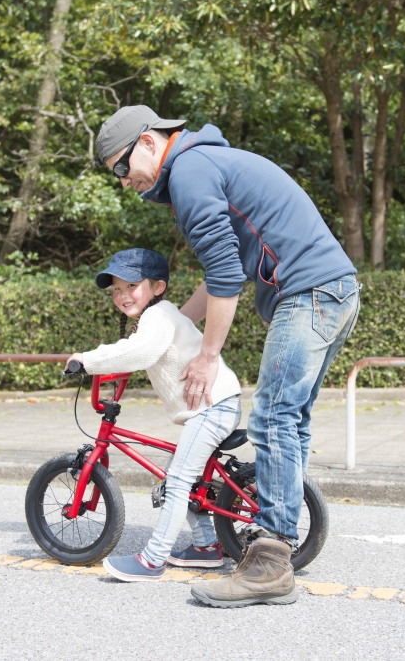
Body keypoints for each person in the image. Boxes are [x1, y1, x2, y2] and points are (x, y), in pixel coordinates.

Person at [95, 105, 360, 607]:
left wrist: (207, 355)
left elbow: (224, 277)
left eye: (119, 167)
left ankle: (269, 562)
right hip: (335, 290)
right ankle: (275, 544)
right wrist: (180, 325)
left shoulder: (193, 172)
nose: (121, 180)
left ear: (148, 143)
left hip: (308, 293)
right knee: (290, 421)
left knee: (275, 420)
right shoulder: (205, 164)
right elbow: (232, 263)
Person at [68, 248, 243, 583]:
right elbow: (141, 352)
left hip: (214, 407)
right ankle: (207, 546)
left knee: (177, 481)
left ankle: (152, 560)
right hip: (215, 406)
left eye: (131, 285)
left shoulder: (159, 316)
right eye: (116, 289)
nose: (121, 295)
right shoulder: (158, 318)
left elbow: (138, 352)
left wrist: (86, 360)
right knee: (180, 476)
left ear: (157, 287)